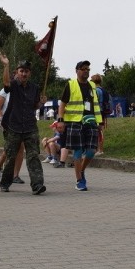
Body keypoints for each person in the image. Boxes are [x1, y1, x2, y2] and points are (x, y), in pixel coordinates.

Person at [0, 54, 45, 195]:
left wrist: (41, 103)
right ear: (17, 72)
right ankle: (5, 183)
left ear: (30, 73)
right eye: (21, 71)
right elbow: (5, 83)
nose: (24, 73)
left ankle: (37, 185)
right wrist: (6, 65)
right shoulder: (13, 85)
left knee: (33, 156)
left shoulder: (34, 88)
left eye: (26, 71)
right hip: (14, 126)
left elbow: (34, 106)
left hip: (30, 126)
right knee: (11, 156)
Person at [56, 60, 103, 192]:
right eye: (83, 69)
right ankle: (79, 180)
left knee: (91, 151)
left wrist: (99, 122)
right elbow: (62, 104)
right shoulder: (71, 85)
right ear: (77, 71)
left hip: (91, 121)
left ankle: (81, 171)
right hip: (74, 121)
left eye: (88, 69)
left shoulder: (92, 86)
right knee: (77, 150)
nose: (86, 71)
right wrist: (60, 120)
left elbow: (95, 105)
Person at [91, 73, 110, 155]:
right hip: (103, 112)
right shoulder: (103, 90)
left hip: (97, 112)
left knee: (98, 131)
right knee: (99, 130)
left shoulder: (96, 91)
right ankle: (98, 149)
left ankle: (100, 150)